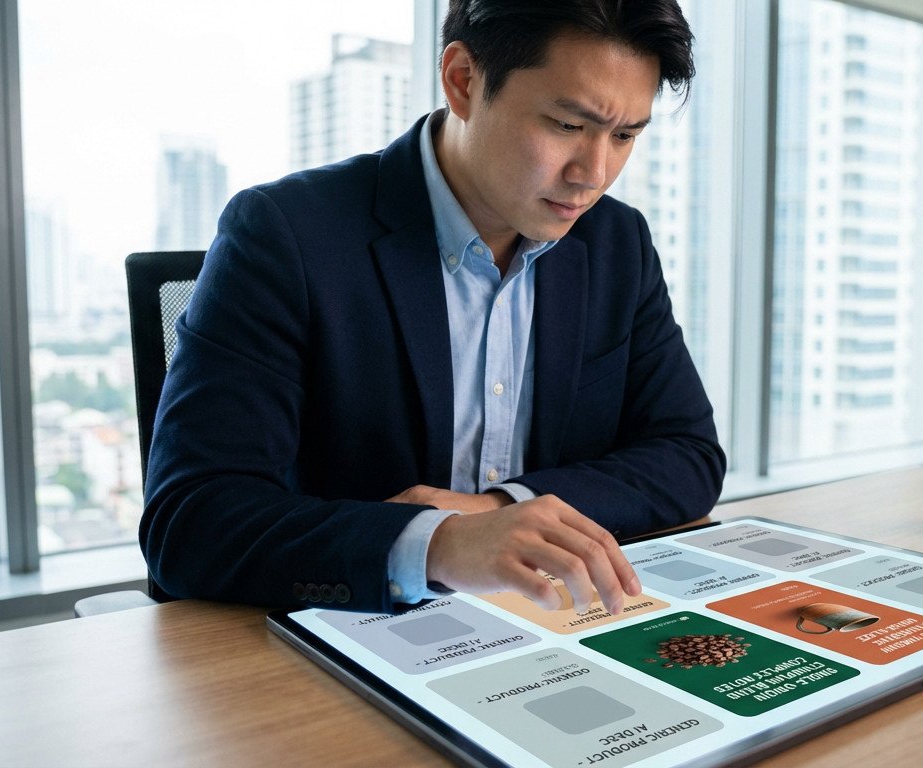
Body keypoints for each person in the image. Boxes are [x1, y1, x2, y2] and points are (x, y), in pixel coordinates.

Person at [140, 0, 724, 617]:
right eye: (566, 125)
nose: (595, 173)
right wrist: (436, 544)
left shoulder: (614, 242)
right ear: (463, 80)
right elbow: (191, 520)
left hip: (541, 624)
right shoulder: (286, 234)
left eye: (626, 135)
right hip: (343, 642)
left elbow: (687, 454)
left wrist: (505, 509)